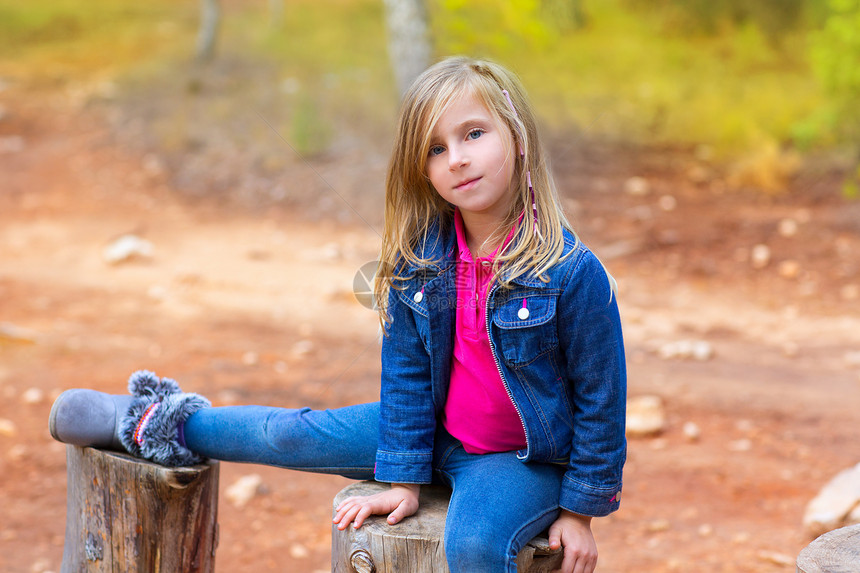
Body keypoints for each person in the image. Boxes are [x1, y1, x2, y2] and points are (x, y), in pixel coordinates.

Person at [49, 56, 627, 573]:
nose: (458, 159)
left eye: (474, 133)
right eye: (436, 148)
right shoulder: (418, 262)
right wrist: (403, 476)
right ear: (420, 168)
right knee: (291, 434)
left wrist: (581, 512)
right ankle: (153, 419)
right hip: (432, 432)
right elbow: (406, 377)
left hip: (519, 461)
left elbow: (602, 400)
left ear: (518, 137)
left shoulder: (571, 272)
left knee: (474, 546)